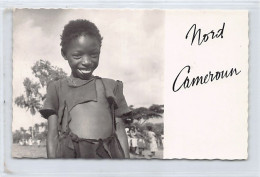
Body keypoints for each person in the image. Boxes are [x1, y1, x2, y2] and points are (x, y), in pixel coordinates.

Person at [39, 19, 131, 159]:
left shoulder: (111, 87)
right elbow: (52, 136)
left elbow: (120, 131)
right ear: (64, 54)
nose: (87, 62)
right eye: (77, 56)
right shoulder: (56, 88)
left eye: (94, 55)